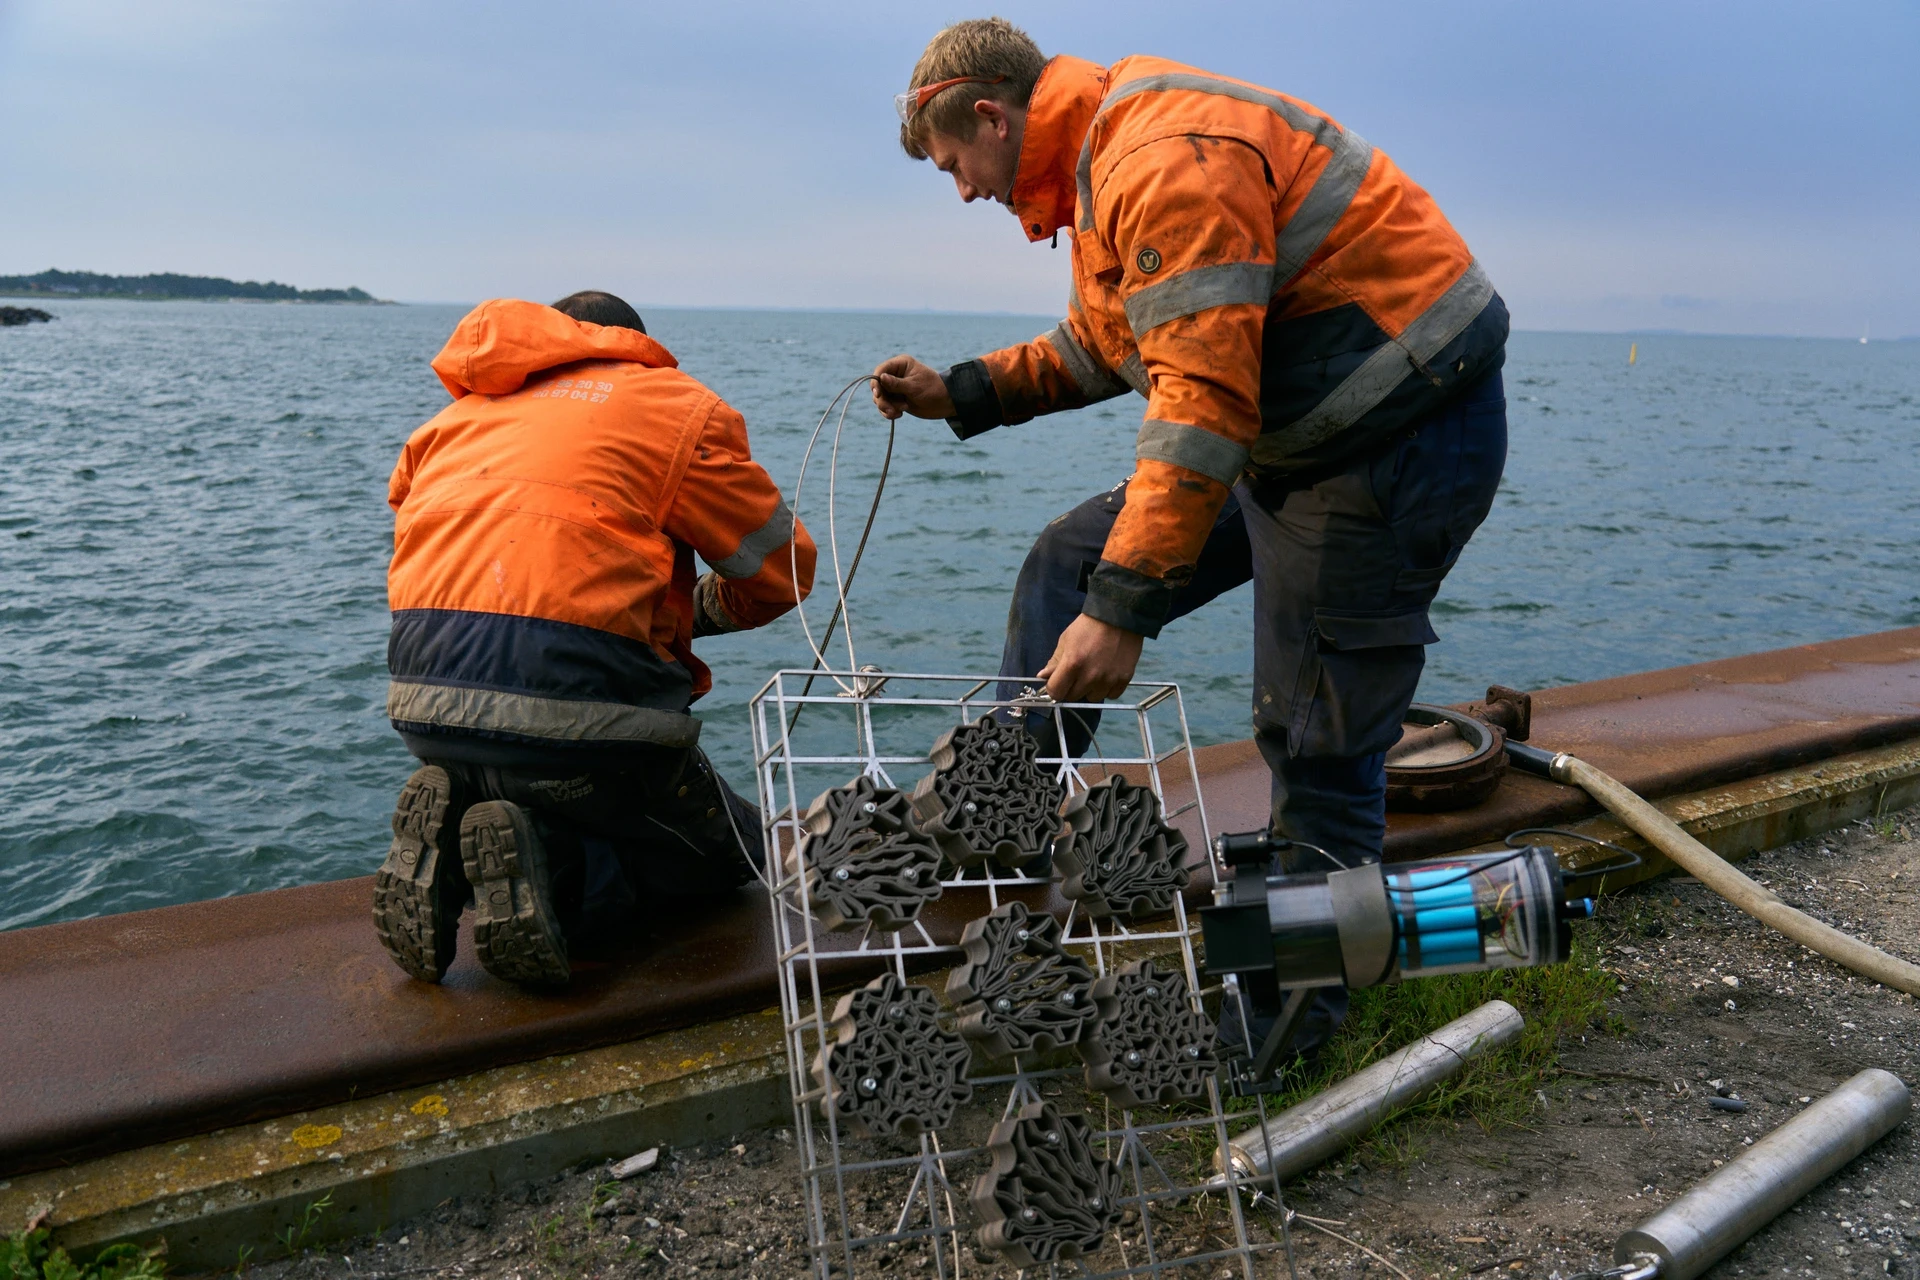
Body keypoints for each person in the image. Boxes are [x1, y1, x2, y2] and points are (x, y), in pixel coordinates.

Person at [872, 20, 1509, 1061]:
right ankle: (1008, 824)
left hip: (1397, 435)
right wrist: (962, 391)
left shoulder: (1155, 155)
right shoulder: (1094, 165)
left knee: (1315, 734)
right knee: (1064, 562)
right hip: (1283, 435)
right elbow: (1107, 342)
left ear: (991, 116)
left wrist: (1123, 611)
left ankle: (1288, 1027)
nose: (963, 192)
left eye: (956, 166)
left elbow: (1203, 402)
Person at [375, 291, 815, 987]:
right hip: (577, 711)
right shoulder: (675, 407)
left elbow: (426, 539)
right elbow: (782, 570)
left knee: (525, 768)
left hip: (421, 696)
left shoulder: (451, 421)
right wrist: (691, 613)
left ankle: (457, 848)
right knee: (730, 857)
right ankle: (554, 865)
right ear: (630, 345)